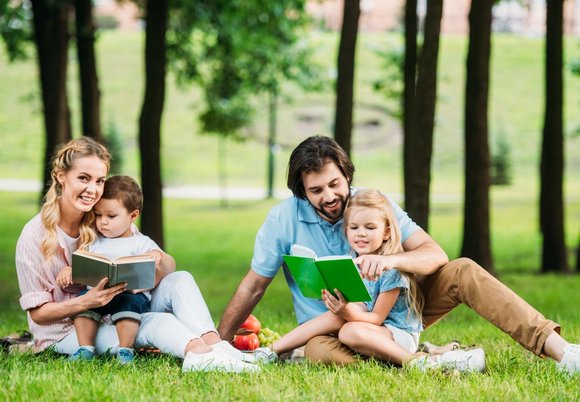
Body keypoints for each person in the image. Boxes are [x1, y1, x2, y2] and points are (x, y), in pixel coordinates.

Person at [217, 135, 579, 374]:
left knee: (464, 269)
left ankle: (563, 352)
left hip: (395, 315)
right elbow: (253, 286)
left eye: (335, 184)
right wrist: (219, 344)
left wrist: (391, 260)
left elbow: (434, 254)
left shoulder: (372, 205)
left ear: (346, 174)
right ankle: (428, 361)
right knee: (319, 353)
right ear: (301, 192)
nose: (329, 196)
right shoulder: (282, 218)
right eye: (316, 191)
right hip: (332, 331)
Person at [15, 136, 258, 373]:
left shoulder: (104, 218)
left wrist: (153, 263)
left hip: (118, 308)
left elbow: (165, 268)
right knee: (155, 323)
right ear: (61, 176)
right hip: (68, 332)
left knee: (180, 279)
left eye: (99, 181)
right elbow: (38, 314)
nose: (93, 189)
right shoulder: (34, 236)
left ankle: (215, 345)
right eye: (84, 178)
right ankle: (199, 355)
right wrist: (87, 301)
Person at [254, 189, 484, 371]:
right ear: (346, 231)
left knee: (348, 331)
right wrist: (340, 306)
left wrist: (346, 312)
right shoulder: (355, 262)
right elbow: (362, 308)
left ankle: (417, 362)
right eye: (354, 227)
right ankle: (272, 350)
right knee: (336, 320)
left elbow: (375, 318)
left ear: (385, 232)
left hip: (397, 334)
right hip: (374, 331)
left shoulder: (390, 268)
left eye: (370, 227)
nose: (361, 233)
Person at [56, 175, 161, 364]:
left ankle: (125, 350)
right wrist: (69, 270)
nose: (103, 222)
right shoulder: (94, 240)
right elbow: (82, 262)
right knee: (83, 303)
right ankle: (85, 348)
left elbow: (157, 258)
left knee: (128, 304)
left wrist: (155, 255)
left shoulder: (141, 242)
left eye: (111, 216)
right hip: (98, 294)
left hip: (129, 295)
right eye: (98, 215)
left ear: (133, 216)